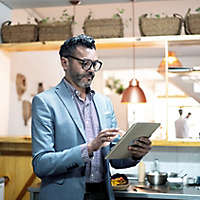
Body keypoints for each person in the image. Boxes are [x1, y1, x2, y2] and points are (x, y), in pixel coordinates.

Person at [31, 34, 152, 200]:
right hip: (65, 195)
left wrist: (136, 153)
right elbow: (41, 165)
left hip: (102, 193)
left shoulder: (104, 103)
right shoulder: (45, 102)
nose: (92, 69)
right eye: (85, 63)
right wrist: (89, 148)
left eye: (95, 64)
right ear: (65, 63)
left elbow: (115, 160)